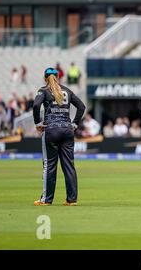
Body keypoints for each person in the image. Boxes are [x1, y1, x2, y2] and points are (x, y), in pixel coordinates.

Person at [32, 67, 86, 206]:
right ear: (58, 77)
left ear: (45, 78)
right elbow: (81, 106)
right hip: (67, 130)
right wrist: (74, 124)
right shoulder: (67, 90)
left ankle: (46, 200)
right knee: (69, 165)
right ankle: (71, 199)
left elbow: (36, 105)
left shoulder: (43, 90)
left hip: (51, 130)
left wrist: (38, 123)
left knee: (49, 165)